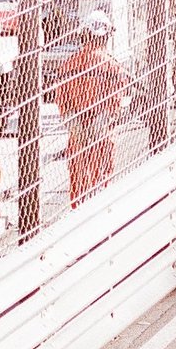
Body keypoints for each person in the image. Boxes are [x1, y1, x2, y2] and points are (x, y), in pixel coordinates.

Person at [49, 11, 125, 206]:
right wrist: (105, 118)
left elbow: (62, 98)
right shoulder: (111, 65)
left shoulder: (68, 65)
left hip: (77, 124)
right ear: (106, 36)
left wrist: (72, 121)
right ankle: (102, 208)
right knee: (102, 172)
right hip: (102, 124)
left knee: (78, 172)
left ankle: (79, 210)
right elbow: (115, 99)